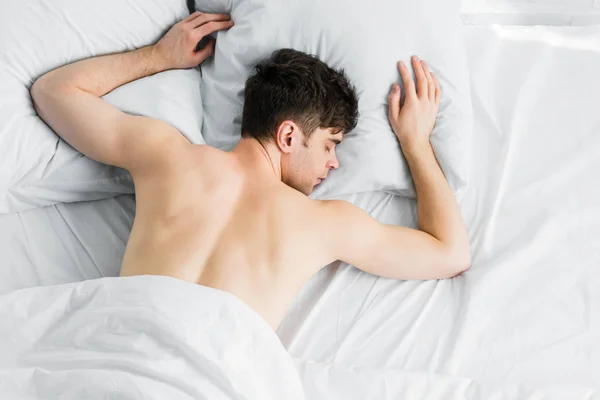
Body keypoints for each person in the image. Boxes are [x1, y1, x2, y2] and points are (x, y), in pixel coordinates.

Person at [30, 12, 471, 330]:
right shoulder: (323, 222)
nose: (334, 164)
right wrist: (416, 144)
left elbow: (55, 91)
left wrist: (157, 57)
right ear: (288, 135)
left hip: (111, 358)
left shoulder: (169, 157)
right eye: (329, 144)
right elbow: (450, 254)